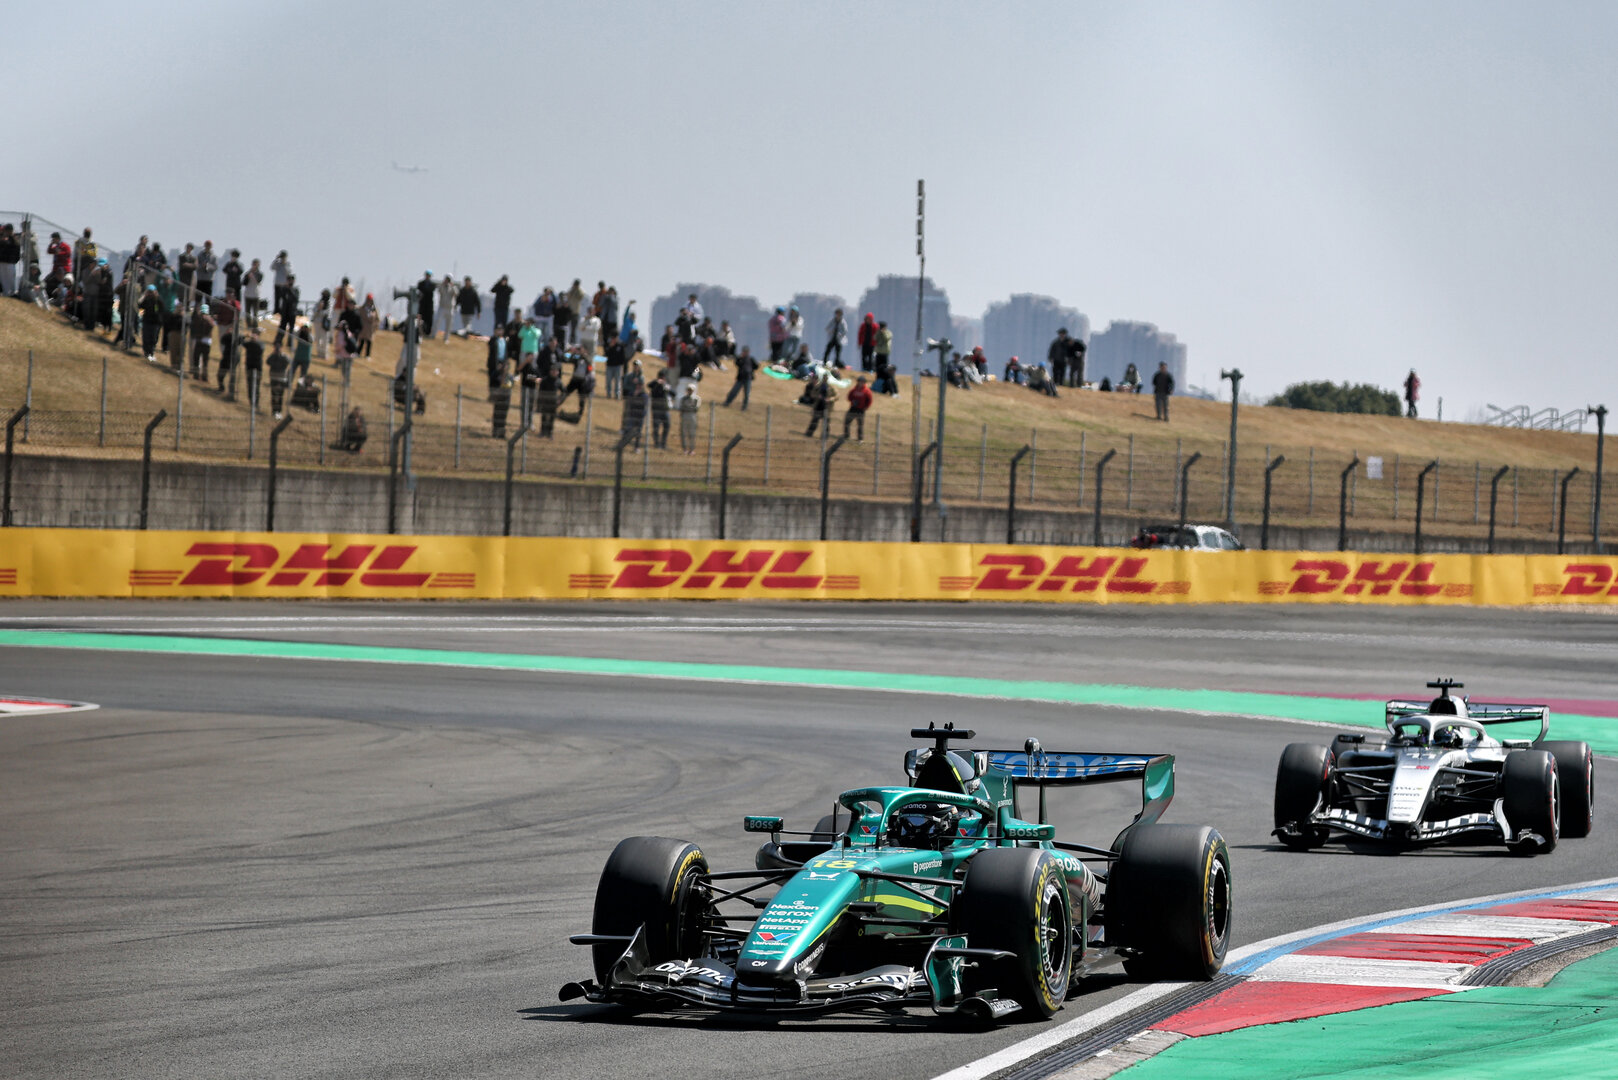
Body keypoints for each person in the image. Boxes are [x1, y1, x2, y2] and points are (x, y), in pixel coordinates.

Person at [189, 301, 214, 381]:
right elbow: (194, 327)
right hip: (199, 340)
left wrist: (207, 319)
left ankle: (204, 375)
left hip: (206, 341)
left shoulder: (209, 320)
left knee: (205, 360)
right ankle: (196, 374)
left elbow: (211, 326)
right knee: (196, 357)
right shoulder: (197, 319)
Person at [242, 328, 265, 410]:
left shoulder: (261, 343)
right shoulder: (249, 343)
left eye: (256, 334)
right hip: (249, 367)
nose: (254, 335)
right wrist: (245, 336)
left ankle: (256, 403)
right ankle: (251, 402)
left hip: (257, 368)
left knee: (256, 386)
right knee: (250, 385)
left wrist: (254, 340)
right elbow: (241, 342)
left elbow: (260, 349)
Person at [267, 339, 291, 418]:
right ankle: (274, 411)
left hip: (282, 379)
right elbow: (268, 362)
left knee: (280, 396)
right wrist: (274, 355)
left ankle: (279, 411)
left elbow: (288, 362)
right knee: (274, 395)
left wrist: (281, 355)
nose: (277, 348)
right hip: (273, 378)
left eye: (279, 347)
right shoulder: (272, 355)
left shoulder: (284, 356)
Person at [647, 369, 672, 449]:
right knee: (656, 427)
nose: (662, 378)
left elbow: (673, 393)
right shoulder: (655, 384)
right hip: (656, 409)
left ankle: (663, 443)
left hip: (665, 409)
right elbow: (649, 385)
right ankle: (656, 443)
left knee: (667, 426)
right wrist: (657, 383)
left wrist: (667, 388)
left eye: (663, 377)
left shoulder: (666, 385)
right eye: (661, 377)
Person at [843, 376, 872, 441]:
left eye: (862, 382)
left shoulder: (867, 391)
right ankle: (846, 435)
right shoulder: (854, 389)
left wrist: (866, 407)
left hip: (861, 410)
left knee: (860, 424)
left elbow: (869, 400)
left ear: (864, 383)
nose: (861, 383)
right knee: (847, 421)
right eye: (859, 382)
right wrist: (852, 401)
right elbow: (849, 397)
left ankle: (860, 438)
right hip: (853, 408)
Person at [275, 274, 300, 347]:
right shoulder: (284, 289)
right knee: (282, 327)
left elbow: (296, 298)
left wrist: (290, 289)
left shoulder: (296, 290)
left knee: (291, 329)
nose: (290, 281)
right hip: (285, 311)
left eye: (291, 280)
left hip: (292, 312)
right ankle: (278, 341)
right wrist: (285, 288)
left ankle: (290, 343)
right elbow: (281, 296)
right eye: (289, 280)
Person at [678, 382, 701, 454]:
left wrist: (687, 407)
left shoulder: (697, 398)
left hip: (692, 416)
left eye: (691, 390)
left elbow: (696, 408)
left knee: (692, 433)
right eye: (688, 389)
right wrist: (690, 407)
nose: (690, 391)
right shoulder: (683, 398)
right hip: (685, 415)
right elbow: (681, 407)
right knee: (683, 433)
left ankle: (692, 449)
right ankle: (684, 449)